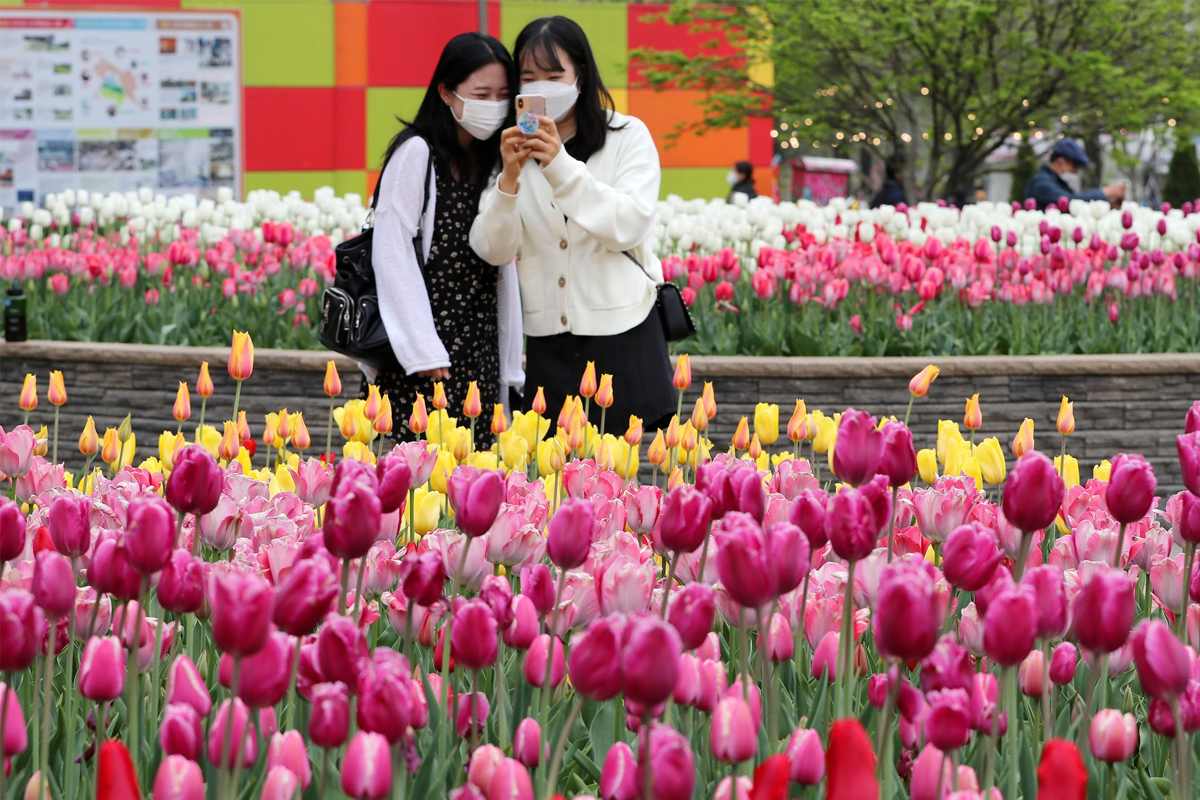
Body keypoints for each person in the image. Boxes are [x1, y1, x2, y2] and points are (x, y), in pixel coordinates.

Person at [470, 16, 675, 432]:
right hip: (551, 345)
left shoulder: (627, 136)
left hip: (625, 336)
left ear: (580, 74)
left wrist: (558, 163)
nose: (541, 86)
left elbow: (628, 224)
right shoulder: (512, 149)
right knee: (554, 484)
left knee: (628, 483)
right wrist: (508, 179)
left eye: (553, 74)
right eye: (528, 76)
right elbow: (492, 248)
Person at [366, 32, 524, 445]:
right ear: (447, 93)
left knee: (478, 485)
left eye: (503, 95)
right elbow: (391, 250)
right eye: (481, 93)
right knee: (420, 486)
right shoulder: (418, 153)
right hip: (424, 356)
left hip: (479, 351)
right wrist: (422, 350)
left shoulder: (494, 162)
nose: (493, 106)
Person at [1024, 139, 1125, 210]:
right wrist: (1104, 193)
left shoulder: (1059, 183)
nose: (1076, 172)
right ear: (1060, 162)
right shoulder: (1041, 183)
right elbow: (1070, 203)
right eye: (1074, 166)